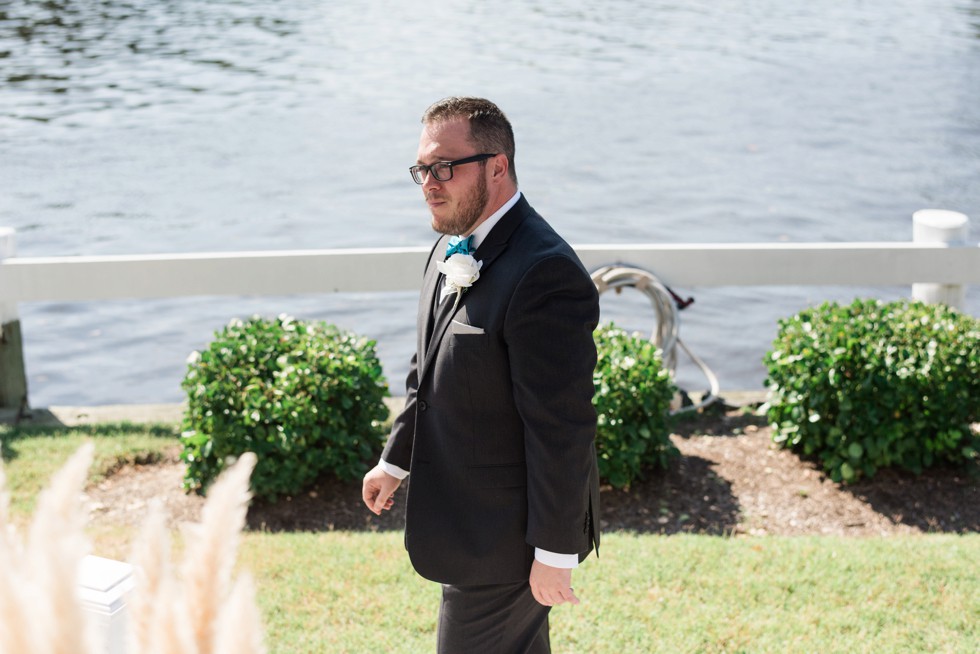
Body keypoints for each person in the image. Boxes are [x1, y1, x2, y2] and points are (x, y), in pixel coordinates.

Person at [362, 96, 600, 653]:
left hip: (506, 538)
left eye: (445, 167)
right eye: (422, 169)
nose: (429, 182)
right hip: (464, 521)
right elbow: (429, 368)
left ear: (498, 165)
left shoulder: (545, 272)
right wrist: (395, 459)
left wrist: (553, 552)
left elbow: (561, 427)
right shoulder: (452, 243)